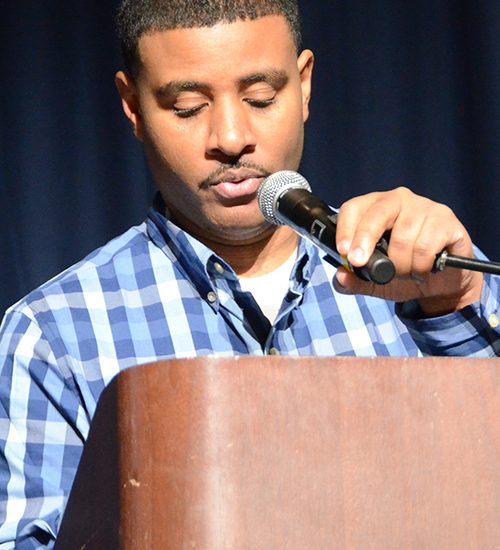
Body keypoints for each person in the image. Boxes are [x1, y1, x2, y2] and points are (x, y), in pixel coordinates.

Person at [0, 0, 498, 547]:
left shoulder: (426, 275)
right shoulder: (54, 337)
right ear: (133, 106)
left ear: (304, 85)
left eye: (260, 97)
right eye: (188, 107)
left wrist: (455, 306)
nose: (232, 137)